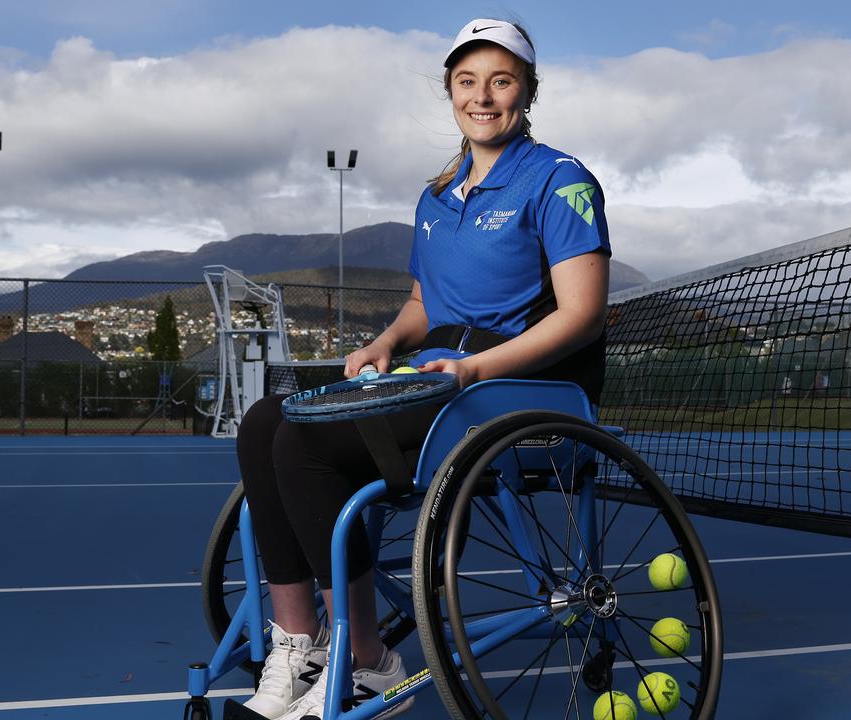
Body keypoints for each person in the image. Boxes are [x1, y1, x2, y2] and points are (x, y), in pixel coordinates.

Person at [233, 18, 610, 720]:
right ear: (450, 92)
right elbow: (420, 304)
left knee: (306, 442)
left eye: (501, 80)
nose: (483, 96)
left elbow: (582, 315)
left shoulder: (561, 181)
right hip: (440, 377)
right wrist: (385, 341)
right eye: (468, 81)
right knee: (265, 422)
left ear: (527, 90)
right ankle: (300, 640)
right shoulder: (438, 195)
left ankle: (369, 659)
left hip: (514, 391)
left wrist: (472, 371)